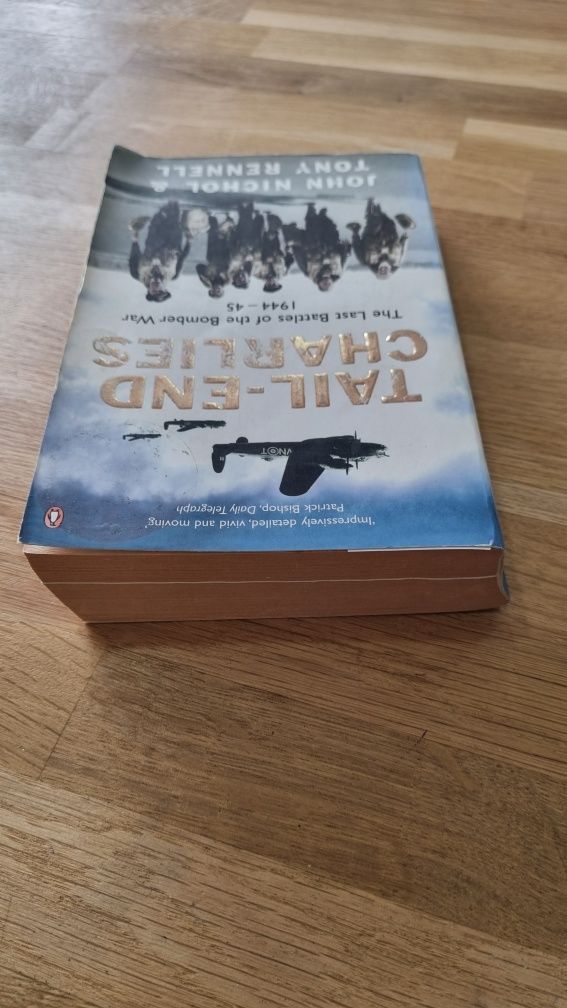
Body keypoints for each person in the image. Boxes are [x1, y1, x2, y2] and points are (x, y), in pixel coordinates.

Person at [128, 201, 190, 301]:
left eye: (154, 292)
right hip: (173, 241)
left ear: (149, 291)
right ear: (165, 289)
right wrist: (189, 242)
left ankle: (165, 200)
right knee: (175, 210)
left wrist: (135, 236)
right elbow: (182, 258)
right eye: (160, 291)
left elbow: (134, 256)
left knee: (162, 211)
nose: (157, 288)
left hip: (154, 239)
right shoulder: (173, 275)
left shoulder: (137, 274)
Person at [283, 203, 350, 291]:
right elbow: (345, 258)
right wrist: (346, 247)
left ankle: (311, 210)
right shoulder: (339, 273)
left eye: (324, 284)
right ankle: (323, 216)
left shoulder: (310, 274)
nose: (326, 282)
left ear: (319, 283)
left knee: (312, 230)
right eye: (328, 284)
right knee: (330, 229)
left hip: (313, 246)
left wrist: (295, 248)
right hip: (331, 246)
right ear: (332, 282)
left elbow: (300, 260)